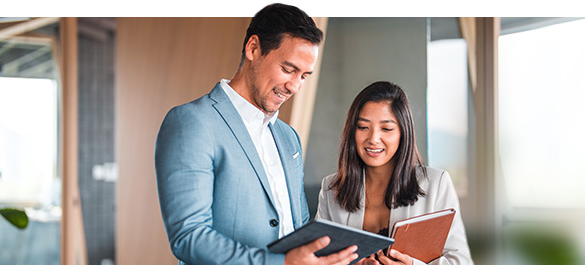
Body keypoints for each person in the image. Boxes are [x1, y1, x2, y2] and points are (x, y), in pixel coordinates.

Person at [155, 4, 358, 265]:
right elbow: (189, 237)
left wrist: (341, 259)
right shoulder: (192, 122)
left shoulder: (289, 138)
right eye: (288, 69)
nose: (294, 86)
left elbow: (298, 229)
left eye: (304, 76)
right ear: (253, 48)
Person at [316, 81, 474, 265]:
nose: (373, 139)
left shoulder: (436, 183)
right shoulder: (331, 188)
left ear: (403, 133)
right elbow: (318, 259)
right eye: (363, 127)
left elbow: (461, 261)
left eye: (386, 129)